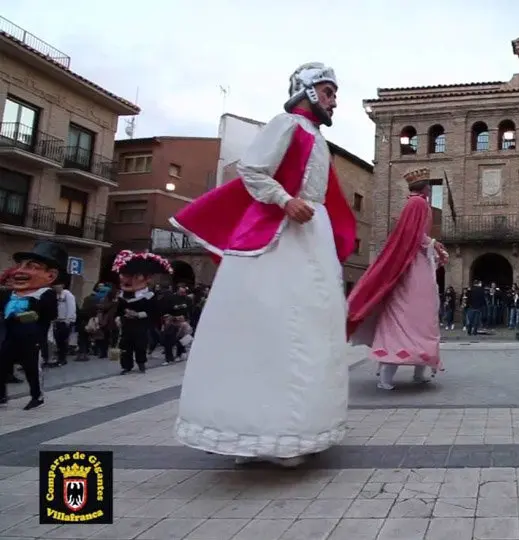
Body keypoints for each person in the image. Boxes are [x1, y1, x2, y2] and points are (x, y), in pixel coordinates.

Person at [170, 62, 357, 467]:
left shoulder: (317, 138)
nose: (334, 100)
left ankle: (289, 432)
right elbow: (252, 170)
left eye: (334, 93)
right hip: (280, 236)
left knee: (308, 330)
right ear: (306, 91)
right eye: (328, 92)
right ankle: (254, 435)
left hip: (310, 236)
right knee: (272, 329)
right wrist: (285, 201)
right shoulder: (286, 124)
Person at [347, 167, 448, 390]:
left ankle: (413, 372)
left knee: (418, 315)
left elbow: (413, 233)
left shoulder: (414, 203)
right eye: (429, 185)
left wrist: (432, 245)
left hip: (414, 263)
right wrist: (433, 244)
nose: (430, 188)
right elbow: (413, 235)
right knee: (419, 315)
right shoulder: (419, 203)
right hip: (413, 267)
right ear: (425, 188)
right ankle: (392, 375)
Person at [0, 241, 67, 409]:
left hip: (33, 338)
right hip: (11, 336)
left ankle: (37, 397)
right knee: (1, 365)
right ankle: (1, 396)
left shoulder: (45, 294)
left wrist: (27, 317)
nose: (20, 271)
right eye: (20, 265)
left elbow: (50, 315)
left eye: (32, 266)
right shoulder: (11, 293)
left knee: (32, 369)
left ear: (50, 275)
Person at [113, 251, 170, 374]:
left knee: (140, 345)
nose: (128, 280)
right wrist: (118, 317)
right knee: (125, 346)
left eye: (136, 276)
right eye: (125, 275)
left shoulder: (149, 296)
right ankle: (126, 366)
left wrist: (138, 314)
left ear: (146, 279)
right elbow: (118, 310)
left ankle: (141, 363)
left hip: (141, 326)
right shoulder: (122, 296)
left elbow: (154, 312)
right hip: (126, 324)